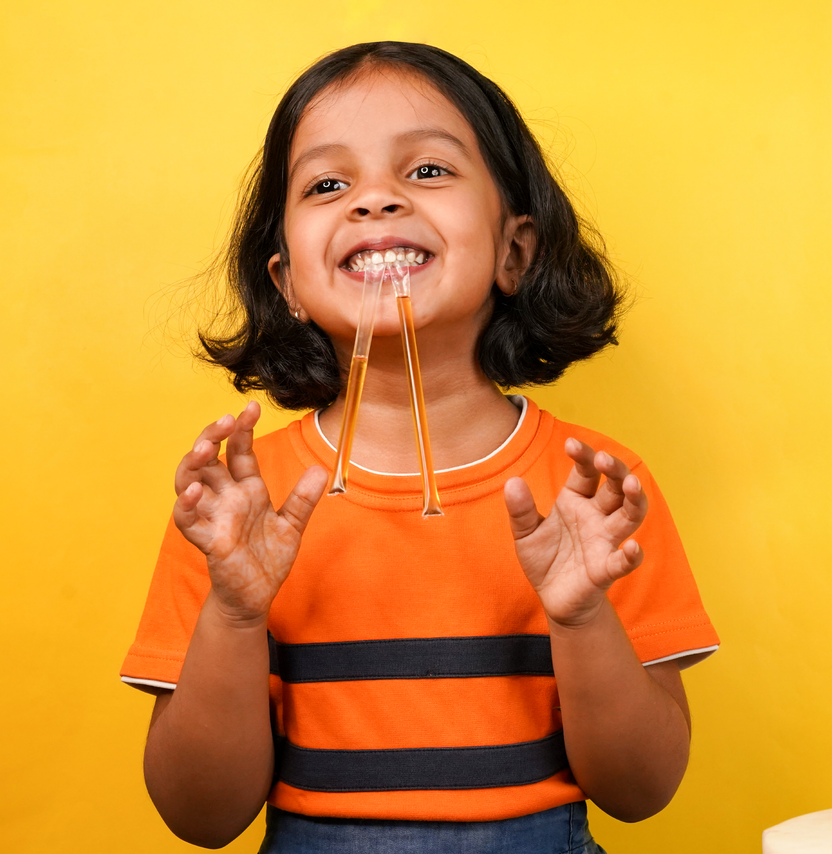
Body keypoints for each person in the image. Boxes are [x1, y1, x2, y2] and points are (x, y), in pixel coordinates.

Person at [120, 41, 718, 853]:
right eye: (328, 185)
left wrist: (578, 618)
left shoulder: (591, 490)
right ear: (287, 281)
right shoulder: (236, 509)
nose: (374, 202)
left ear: (515, 251)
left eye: (427, 171)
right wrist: (235, 609)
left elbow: (641, 791)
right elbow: (202, 816)